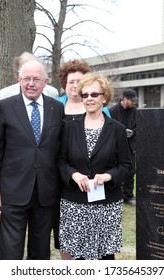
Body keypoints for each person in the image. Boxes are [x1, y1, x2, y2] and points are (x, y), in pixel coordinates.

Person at [0, 60, 65, 260]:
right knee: (10, 250)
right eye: (26, 78)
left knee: (40, 250)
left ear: (45, 82)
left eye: (36, 79)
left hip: (46, 191)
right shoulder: (4, 107)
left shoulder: (56, 108)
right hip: (13, 190)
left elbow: (59, 150)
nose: (31, 83)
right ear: (19, 80)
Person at [57, 72, 132, 260]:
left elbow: (126, 166)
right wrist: (73, 175)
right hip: (75, 204)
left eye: (94, 94)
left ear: (104, 97)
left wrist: (108, 176)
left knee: (104, 258)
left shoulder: (117, 130)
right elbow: (60, 161)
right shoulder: (70, 128)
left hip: (106, 205)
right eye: (85, 95)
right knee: (77, 259)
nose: (89, 99)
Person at [109, 88, 137, 206]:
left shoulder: (135, 110)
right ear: (124, 99)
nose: (134, 103)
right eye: (132, 101)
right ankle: (118, 195)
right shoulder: (112, 111)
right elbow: (108, 127)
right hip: (116, 146)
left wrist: (133, 132)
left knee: (131, 171)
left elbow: (139, 125)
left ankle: (128, 196)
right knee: (117, 171)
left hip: (130, 146)